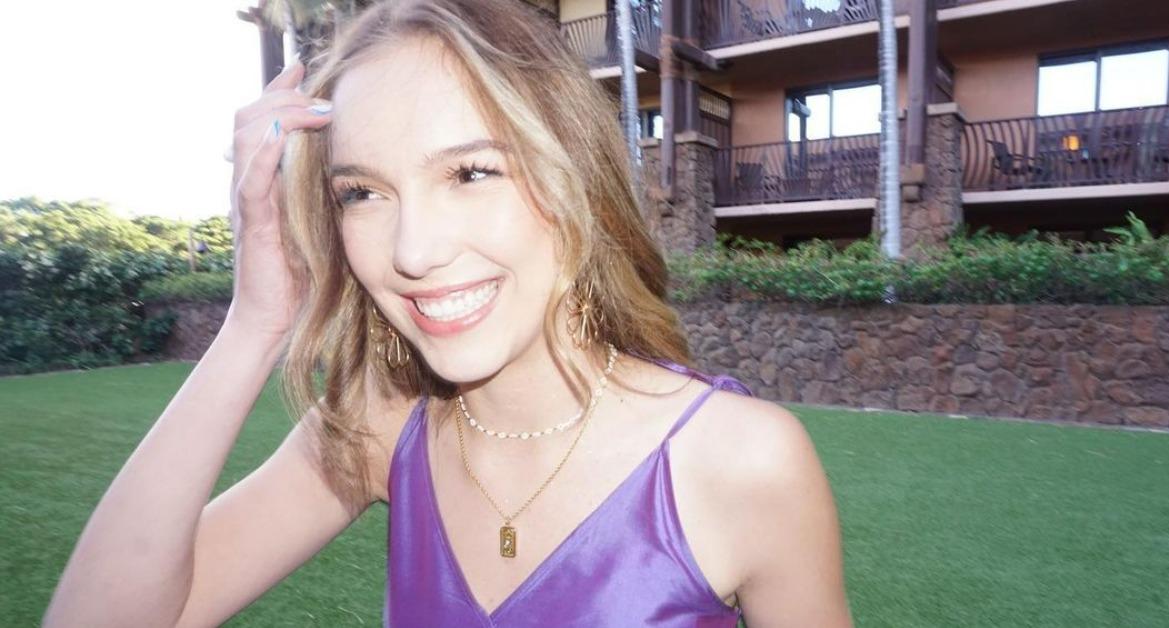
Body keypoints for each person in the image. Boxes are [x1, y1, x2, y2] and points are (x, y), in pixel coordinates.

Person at [43, 0, 852, 626]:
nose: (414, 250)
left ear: (574, 176)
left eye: (470, 173)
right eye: (362, 193)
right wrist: (253, 323)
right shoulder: (382, 426)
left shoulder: (742, 462)